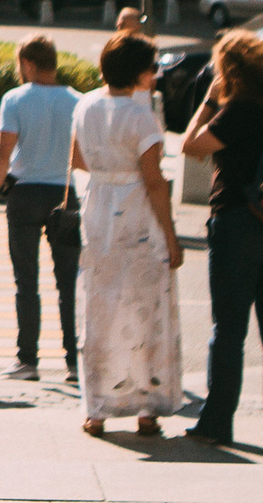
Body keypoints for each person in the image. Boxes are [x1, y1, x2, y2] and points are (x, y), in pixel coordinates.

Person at [179, 29, 263, 445]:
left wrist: (209, 100)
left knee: (229, 328)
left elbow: (192, 146)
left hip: (239, 221)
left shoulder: (239, 108)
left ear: (231, 70)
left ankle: (217, 422)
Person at [70, 32, 182, 436]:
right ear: (137, 72)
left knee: (99, 306)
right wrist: (171, 235)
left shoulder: (85, 105)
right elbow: (154, 181)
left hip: (98, 211)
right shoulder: (141, 116)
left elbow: (77, 159)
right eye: (151, 67)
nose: (155, 74)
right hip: (136, 214)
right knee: (143, 307)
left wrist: (108, 169)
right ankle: (146, 406)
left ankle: (96, 408)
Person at [0, 36, 80, 382]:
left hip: (25, 196)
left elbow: (3, 153)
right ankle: (74, 363)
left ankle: (27, 360)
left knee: (26, 281)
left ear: (29, 64)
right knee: (68, 283)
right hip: (65, 195)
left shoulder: (15, 98)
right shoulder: (77, 100)